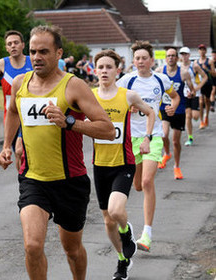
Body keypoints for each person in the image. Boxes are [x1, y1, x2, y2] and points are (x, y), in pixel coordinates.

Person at [0, 25, 115, 280]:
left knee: (71, 249)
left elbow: (108, 130)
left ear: (59, 53)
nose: (37, 57)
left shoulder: (74, 86)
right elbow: (14, 112)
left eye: (43, 51)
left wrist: (70, 122)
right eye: (32, 52)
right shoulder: (20, 82)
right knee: (32, 245)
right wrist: (8, 145)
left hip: (70, 182)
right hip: (33, 179)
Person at [92, 50, 155, 280]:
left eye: (110, 67)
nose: (105, 71)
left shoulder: (128, 96)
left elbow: (150, 112)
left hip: (124, 163)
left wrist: (147, 137)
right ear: (95, 70)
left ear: (118, 71)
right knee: (108, 221)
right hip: (100, 165)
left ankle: (127, 232)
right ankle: (122, 261)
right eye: (101, 67)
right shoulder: (89, 97)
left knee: (116, 210)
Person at [117, 40, 180, 252]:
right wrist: (128, 109)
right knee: (137, 185)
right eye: (137, 58)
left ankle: (147, 234)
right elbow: (115, 103)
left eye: (144, 58)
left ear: (152, 60)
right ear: (133, 61)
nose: (141, 61)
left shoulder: (161, 79)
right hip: (131, 138)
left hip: (152, 135)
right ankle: (139, 230)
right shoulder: (127, 80)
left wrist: (172, 107)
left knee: (146, 181)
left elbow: (175, 96)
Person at [0, 30, 32, 170]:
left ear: (23, 45)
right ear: (6, 48)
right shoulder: (2, 63)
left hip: (29, 113)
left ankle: (31, 182)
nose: (13, 46)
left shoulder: (31, 61)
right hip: (11, 116)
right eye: (9, 44)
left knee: (20, 150)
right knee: (18, 154)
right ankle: (23, 180)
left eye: (16, 43)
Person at [155, 48, 194, 179]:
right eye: (168, 56)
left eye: (173, 56)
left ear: (177, 58)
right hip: (164, 108)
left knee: (176, 141)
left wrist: (190, 93)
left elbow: (192, 89)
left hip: (179, 109)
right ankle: (167, 153)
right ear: (166, 58)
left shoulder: (184, 73)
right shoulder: (160, 71)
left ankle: (176, 167)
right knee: (164, 135)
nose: (171, 58)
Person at [179, 46, 207, 146]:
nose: (184, 56)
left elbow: (205, 77)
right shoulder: (179, 67)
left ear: (189, 55)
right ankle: (190, 137)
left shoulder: (194, 66)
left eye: (186, 54)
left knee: (195, 117)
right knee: (188, 116)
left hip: (195, 93)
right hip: (185, 93)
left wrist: (197, 88)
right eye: (182, 54)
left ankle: (201, 117)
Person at [195, 44, 215, 128]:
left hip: (208, 83)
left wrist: (207, 69)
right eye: (200, 49)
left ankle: (206, 116)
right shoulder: (196, 62)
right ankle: (201, 121)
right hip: (200, 84)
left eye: (203, 49)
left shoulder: (209, 61)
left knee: (207, 101)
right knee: (200, 101)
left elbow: (214, 74)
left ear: (205, 51)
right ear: (198, 51)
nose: (202, 51)